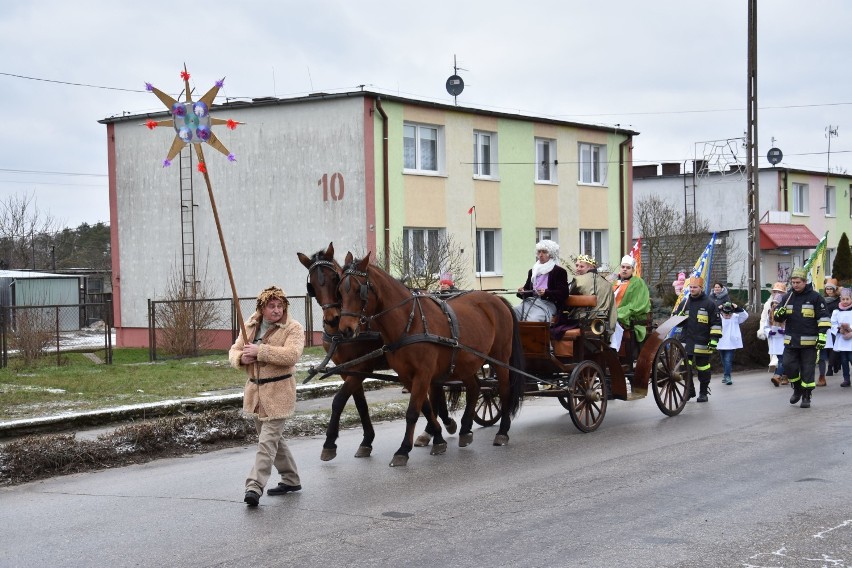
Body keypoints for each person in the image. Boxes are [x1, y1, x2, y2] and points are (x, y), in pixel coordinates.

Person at [229, 286, 304, 507]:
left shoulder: (293, 328)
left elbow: (292, 355)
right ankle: (291, 479)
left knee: (266, 443)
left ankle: (254, 485)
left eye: (280, 306)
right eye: (272, 306)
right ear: (262, 308)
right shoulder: (251, 325)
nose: (277, 310)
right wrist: (243, 358)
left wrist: (260, 351)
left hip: (279, 393)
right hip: (256, 394)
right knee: (274, 440)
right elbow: (234, 350)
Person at [773, 267, 830, 409]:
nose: (795, 285)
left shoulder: (816, 298)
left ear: (805, 282)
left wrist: (822, 336)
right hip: (791, 341)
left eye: (798, 282)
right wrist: (779, 314)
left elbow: (823, 318)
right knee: (788, 366)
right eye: (793, 282)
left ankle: (806, 395)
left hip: (810, 343)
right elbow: (777, 318)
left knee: (807, 371)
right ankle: (797, 388)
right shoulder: (787, 298)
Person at [675, 276, 722, 402]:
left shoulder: (709, 304)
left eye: (694, 287)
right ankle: (689, 391)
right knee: (685, 367)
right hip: (686, 341)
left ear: (701, 288)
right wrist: (677, 316)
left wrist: (714, 340)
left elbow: (716, 323)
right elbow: (677, 322)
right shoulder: (685, 303)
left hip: (703, 342)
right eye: (690, 287)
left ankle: (703, 392)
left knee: (703, 368)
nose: (692, 289)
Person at [514, 239, 569, 322]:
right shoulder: (532, 271)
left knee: (533, 320)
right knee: (512, 312)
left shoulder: (559, 271)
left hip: (548, 304)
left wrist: (546, 293)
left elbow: (564, 293)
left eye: (544, 252)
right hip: (530, 303)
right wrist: (522, 292)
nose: (540, 255)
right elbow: (528, 291)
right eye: (539, 252)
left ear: (551, 254)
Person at [612, 255, 651, 355]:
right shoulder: (615, 283)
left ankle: (613, 350)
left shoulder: (638, 283)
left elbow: (638, 304)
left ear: (633, 270)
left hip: (630, 317)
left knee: (612, 322)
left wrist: (617, 313)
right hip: (613, 314)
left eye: (628, 268)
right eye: (623, 267)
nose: (625, 270)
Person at [569, 254, 617, 334]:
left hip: (580, 322)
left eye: (581, 266)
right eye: (577, 265)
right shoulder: (607, 284)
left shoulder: (578, 280)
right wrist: (611, 329)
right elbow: (612, 308)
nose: (577, 268)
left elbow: (568, 301)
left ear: (591, 267)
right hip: (601, 325)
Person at [758, 281, 788, 383]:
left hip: (785, 338)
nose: (776, 293)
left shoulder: (787, 305)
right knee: (779, 357)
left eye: (779, 291)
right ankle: (781, 374)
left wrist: (785, 331)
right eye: (775, 291)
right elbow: (765, 320)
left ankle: (779, 375)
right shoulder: (768, 306)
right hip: (774, 338)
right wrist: (766, 331)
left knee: (784, 358)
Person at [717, 301, 748, 385]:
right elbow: (710, 316)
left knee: (728, 360)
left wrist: (737, 307)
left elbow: (745, 315)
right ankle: (725, 375)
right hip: (721, 342)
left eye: (729, 315)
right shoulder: (718, 317)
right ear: (722, 313)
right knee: (723, 360)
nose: (728, 316)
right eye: (726, 315)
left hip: (731, 343)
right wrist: (718, 308)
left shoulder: (735, 317)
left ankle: (728, 376)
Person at [818, 278, 840, 386]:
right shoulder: (822, 300)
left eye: (831, 289)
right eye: (827, 289)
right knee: (825, 349)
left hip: (834, 326)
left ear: (834, 290)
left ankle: (831, 366)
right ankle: (829, 368)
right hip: (824, 326)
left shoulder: (838, 300)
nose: (829, 291)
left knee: (833, 348)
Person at [830, 287, 852, 388]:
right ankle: (846, 379)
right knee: (843, 360)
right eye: (843, 299)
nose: (845, 301)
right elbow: (832, 323)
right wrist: (839, 330)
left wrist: (850, 330)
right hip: (842, 339)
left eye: (847, 299)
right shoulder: (836, 311)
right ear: (840, 299)